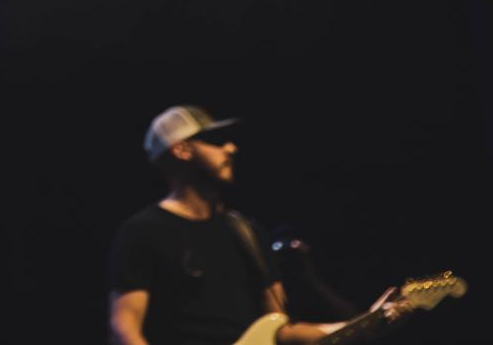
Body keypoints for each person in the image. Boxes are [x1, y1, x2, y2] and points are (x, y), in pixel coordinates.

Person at [108, 105, 401, 345]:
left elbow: (280, 329)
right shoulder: (142, 232)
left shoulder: (245, 231)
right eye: (215, 141)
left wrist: (362, 325)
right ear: (182, 150)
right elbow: (125, 329)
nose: (231, 148)